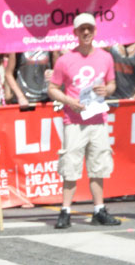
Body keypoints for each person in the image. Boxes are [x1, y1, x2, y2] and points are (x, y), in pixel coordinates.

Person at [48, 14, 119, 228]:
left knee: (98, 166)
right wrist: (69, 100)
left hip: (98, 119)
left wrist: (107, 90)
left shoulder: (105, 57)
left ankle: (99, 209)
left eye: (89, 29)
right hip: (74, 120)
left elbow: (113, 84)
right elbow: (52, 88)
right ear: (76, 33)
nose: (86, 33)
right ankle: (65, 210)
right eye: (82, 29)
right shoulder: (65, 59)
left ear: (95, 31)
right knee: (70, 165)